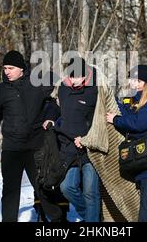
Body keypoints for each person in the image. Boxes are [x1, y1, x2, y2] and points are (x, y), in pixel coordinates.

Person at [0, 50, 55, 222]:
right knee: (10, 192)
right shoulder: (0, 91)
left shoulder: (37, 84)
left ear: (21, 69)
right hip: (11, 149)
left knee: (43, 188)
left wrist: (51, 116)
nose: (7, 71)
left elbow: (55, 99)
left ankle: (55, 221)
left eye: (11, 68)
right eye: (5, 68)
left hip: (35, 148)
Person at [106, 65, 147, 222]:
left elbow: (139, 123)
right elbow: (129, 113)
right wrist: (112, 102)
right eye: (131, 79)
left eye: (137, 80)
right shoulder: (137, 96)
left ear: (145, 83)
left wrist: (115, 120)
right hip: (144, 155)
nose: (132, 83)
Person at [43, 57, 101, 222]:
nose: (75, 81)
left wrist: (87, 139)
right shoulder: (63, 88)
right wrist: (51, 118)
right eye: (72, 76)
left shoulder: (94, 90)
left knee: (91, 192)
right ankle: (90, 216)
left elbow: (99, 119)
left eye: (79, 77)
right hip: (68, 147)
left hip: (90, 148)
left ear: (86, 75)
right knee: (67, 187)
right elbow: (56, 107)